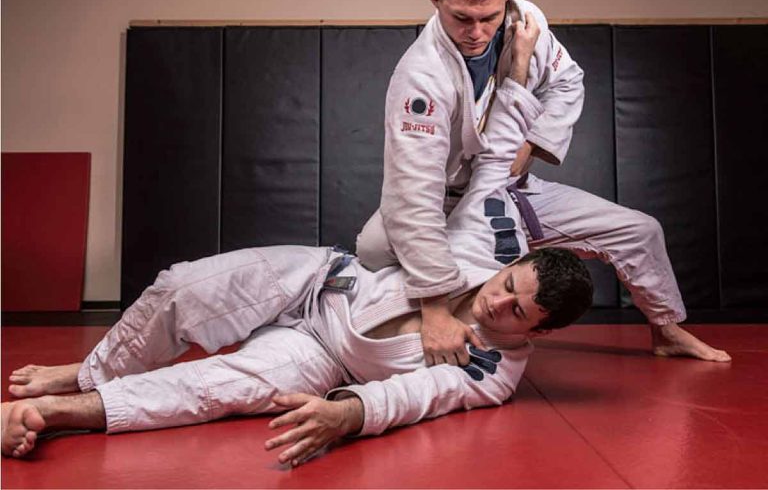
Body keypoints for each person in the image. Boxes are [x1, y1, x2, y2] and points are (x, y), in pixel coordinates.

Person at [2, 83, 594, 463]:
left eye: (519, 311)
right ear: (515, 265)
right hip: (321, 275)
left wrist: (347, 414)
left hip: (323, 356)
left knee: (212, 389)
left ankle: (55, 414)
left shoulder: (492, 370)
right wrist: (514, 75)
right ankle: (88, 373)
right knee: (179, 287)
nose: (499, 301)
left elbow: (412, 395)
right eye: (509, 284)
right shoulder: (493, 244)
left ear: (538, 332)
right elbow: (493, 165)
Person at [356, 0, 730, 364]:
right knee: (374, 251)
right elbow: (414, 195)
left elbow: (568, 82)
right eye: (461, 18)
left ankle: (667, 330)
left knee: (640, 231)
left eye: (488, 18)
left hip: (516, 187)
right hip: (446, 200)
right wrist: (435, 310)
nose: (476, 33)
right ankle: (377, 333)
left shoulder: (526, 22)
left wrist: (533, 145)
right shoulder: (420, 78)